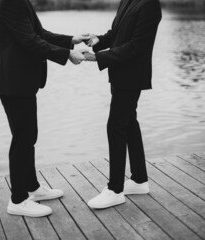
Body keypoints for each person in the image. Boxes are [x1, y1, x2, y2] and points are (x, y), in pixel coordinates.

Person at [0, 0, 89, 217]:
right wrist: (67, 54)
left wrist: (70, 41)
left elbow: (39, 32)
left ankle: (32, 187)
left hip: (21, 82)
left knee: (28, 136)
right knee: (22, 139)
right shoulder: (9, 3)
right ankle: (18, 199)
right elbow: (30, 40)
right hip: (13, 82)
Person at [84, 0, 162, 209]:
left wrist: (97, 58)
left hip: (132, 76)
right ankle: (139, 180)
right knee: (128, 123)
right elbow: (116, 34)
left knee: (116, 125)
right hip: (119, 74)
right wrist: (98, 40)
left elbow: (137, 46)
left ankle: (115, 190)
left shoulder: (149, 5)